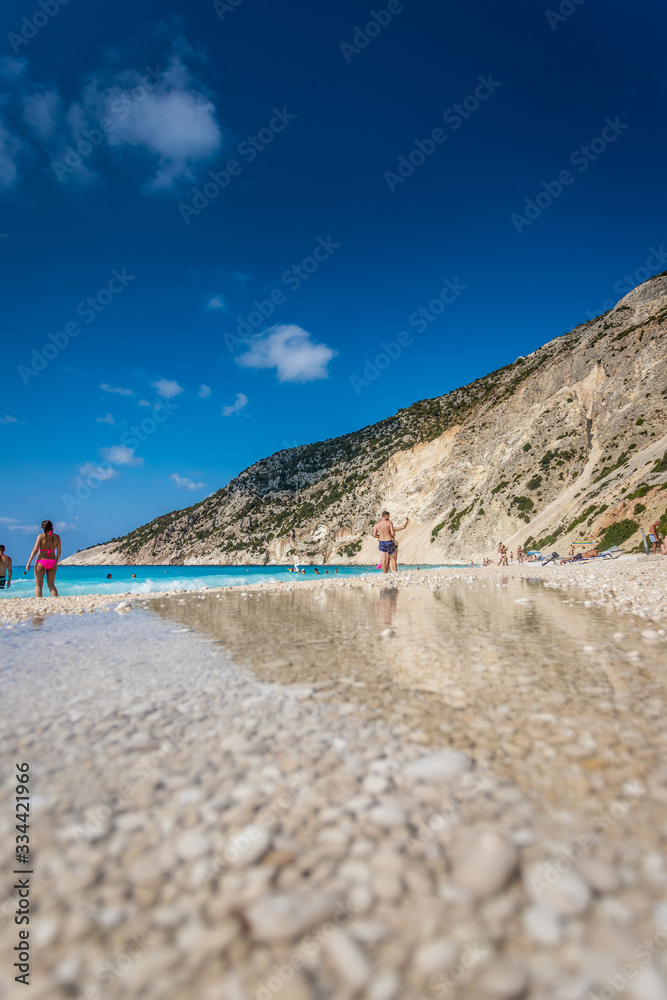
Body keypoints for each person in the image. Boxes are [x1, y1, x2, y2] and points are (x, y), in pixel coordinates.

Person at [26, 520, 61, 597]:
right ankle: (56, 601)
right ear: (52, 527)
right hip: (52, 561)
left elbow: (35, 550)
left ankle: (39, 602)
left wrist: (29, 562)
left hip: (41, 562)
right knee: (51, 585)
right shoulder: (57, 537)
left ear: (43, 528)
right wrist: (56, 561)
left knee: (38, 586)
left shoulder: (40, 537)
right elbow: (59, 552)